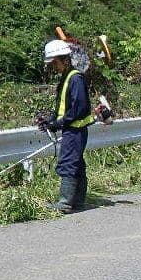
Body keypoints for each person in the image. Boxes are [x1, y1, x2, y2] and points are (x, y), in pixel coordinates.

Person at [41, 40, 94, 212]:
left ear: (64, 60)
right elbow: (63, 105)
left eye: (54, 63)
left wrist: (58, 123)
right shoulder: (67, 78)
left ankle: (65, 202)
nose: (53, 67)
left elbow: (78, 108)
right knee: (76, 163)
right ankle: (78, 202)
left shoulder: (75, 78)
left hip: (75, 129)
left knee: (68, 163)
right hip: (71, 127)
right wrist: (51, 121)